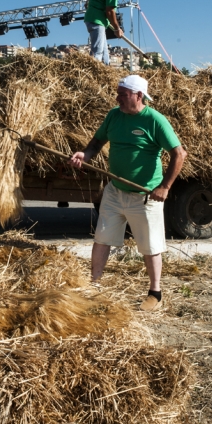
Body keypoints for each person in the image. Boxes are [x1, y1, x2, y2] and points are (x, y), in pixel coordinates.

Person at [69, 74, 187, 312]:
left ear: (138, 96)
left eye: (123, 95)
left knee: (150, 246)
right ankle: (94, 286)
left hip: (144, 196)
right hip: (114, 190)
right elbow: (96, 142)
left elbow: (179, 154)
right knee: (102, 237)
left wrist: (164, 187)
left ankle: (155, 293)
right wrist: (85, 155)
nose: (118, 98)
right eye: (118, 94)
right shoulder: (114, 115)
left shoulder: (155, 121)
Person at [84, 0, 134, 65]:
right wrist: (117, 28)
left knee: (105, 57)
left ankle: (106, 73)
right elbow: (110, 11)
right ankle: (91, 77)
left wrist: (88, 0)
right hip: (97, 22)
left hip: (92, 18)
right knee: (97, 54)